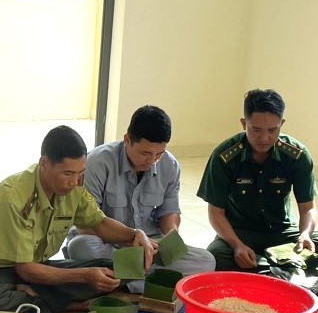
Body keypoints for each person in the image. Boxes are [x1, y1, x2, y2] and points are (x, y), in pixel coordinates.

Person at [0, 125, 156, 313]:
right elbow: (25, 269)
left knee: (115, 269)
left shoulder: (73, 187)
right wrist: (84, 276)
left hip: (38, 269)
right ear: (44, 163)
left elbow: (99, 223)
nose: (74, 182)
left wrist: (135, 235)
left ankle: (33, 297)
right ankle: (62, 303)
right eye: (68, 174)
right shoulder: (13, 198)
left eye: (81, 173)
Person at [63, 105, 215, 292]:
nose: (152, 160)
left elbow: (170, 212)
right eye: (145, 153)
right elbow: (86, 225)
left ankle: (122, 280)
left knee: (206, 260)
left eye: (158, 154)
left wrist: (170, 237)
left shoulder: (170, 165)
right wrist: (132, 237)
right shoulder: (97, 162)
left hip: (148, 246)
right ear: (127, 140)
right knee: (80, 246)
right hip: (108, 243)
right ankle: (152, 280)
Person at [198, 88, 318, 271]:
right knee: (216, 256)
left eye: (272, 130)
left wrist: (305, 234)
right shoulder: (225, 156)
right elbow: (215, 213)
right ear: (244, 123)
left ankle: (263, 269)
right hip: (240, 233)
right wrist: (237, 245)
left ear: (282, 124)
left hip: (281, 232)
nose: (264, 138)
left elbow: (308, 208)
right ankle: (281, 268)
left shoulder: (296, 155)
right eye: (256, 130)